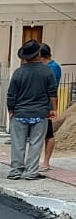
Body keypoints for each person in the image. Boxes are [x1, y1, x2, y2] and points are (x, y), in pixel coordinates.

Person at [7, 39, 57, 180]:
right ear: (38, 54)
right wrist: (54, 109)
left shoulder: (18, 73)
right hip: (40, 113)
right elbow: (52, 93)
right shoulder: (47, 72)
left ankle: (16, 171)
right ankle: (31, 172)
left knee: (18, 143)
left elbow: (11, 94)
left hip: (20, 113)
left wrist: (11, 110)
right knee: (36, 143)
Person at [39, 43, 62, 173]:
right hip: (41, 104)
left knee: (48, 134)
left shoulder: (52, 68)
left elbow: (50, 88)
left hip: (46, 105)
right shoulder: (48, 67)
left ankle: (46, 162)